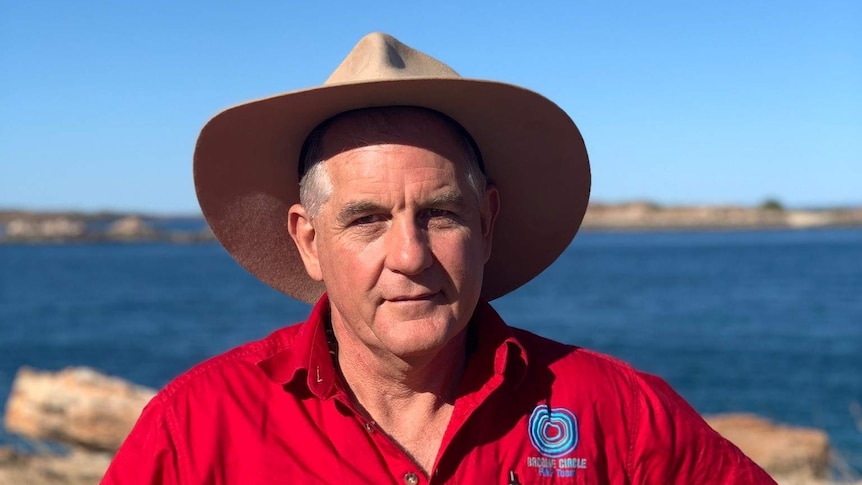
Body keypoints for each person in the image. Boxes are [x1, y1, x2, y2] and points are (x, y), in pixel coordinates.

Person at [102, 32, 776, 484]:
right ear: (309, 240)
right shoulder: (197, 428)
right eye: (366, 219)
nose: (409, 255)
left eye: (441, 214)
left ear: (487, 224)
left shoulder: (616, 412)